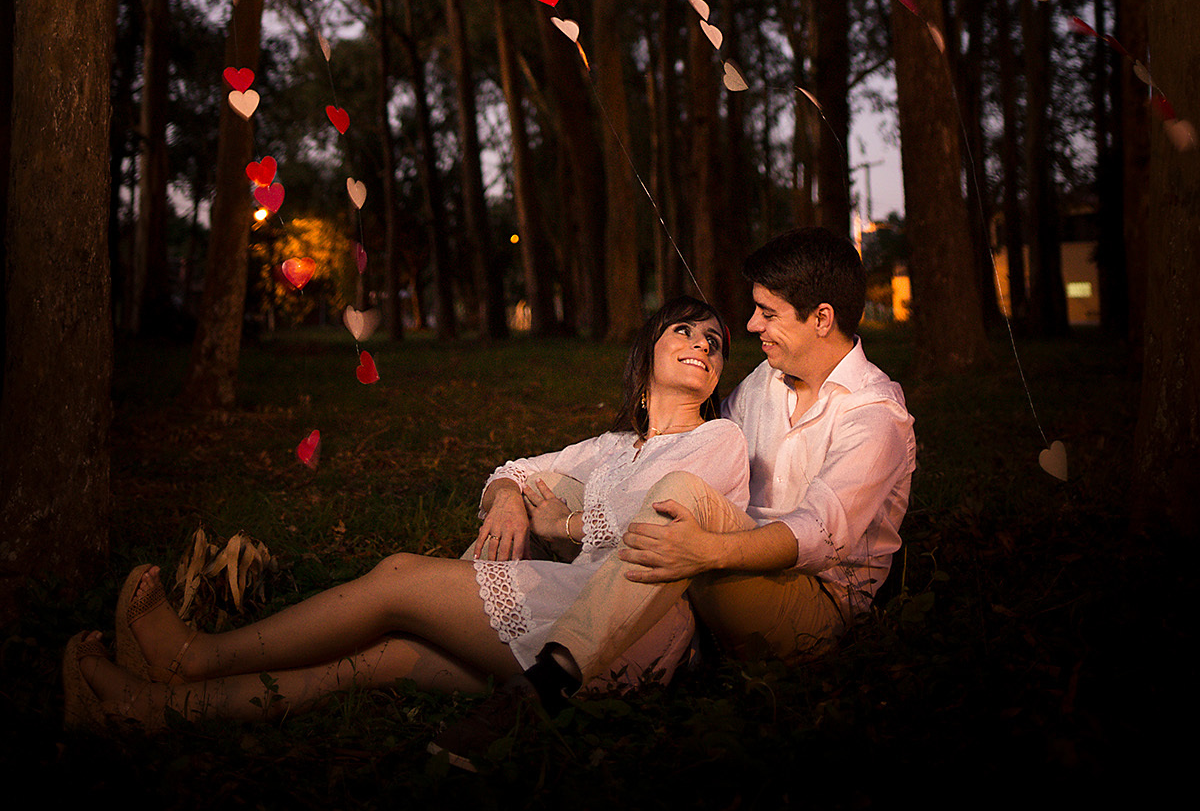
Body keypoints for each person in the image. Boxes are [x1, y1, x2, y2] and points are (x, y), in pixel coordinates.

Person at [63, 297, 748, 733]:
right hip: (569, 602)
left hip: (627, 628)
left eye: (715, 342)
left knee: (395, 577)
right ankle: (154, 710)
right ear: (649, 351)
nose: (702, 344)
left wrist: (557, 525)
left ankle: (192, 655)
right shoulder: (606, 447)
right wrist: (512, 500)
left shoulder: (717, 439)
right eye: (683, 330)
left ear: (718, 374)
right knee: (382, 661)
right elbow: (509, 472)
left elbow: (647, 522)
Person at [435, 228, 915, 762]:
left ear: (821, 318)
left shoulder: (875, 417)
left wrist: (706, 549)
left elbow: (816, 535)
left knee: (682, 495)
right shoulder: (765, 383)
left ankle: (551, 681)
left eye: (768, 313)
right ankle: (474, 611)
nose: (751, 326)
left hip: (809, 606)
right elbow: (690, 442)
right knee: (576, 483)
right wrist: (520, 494)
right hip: (727, 572)